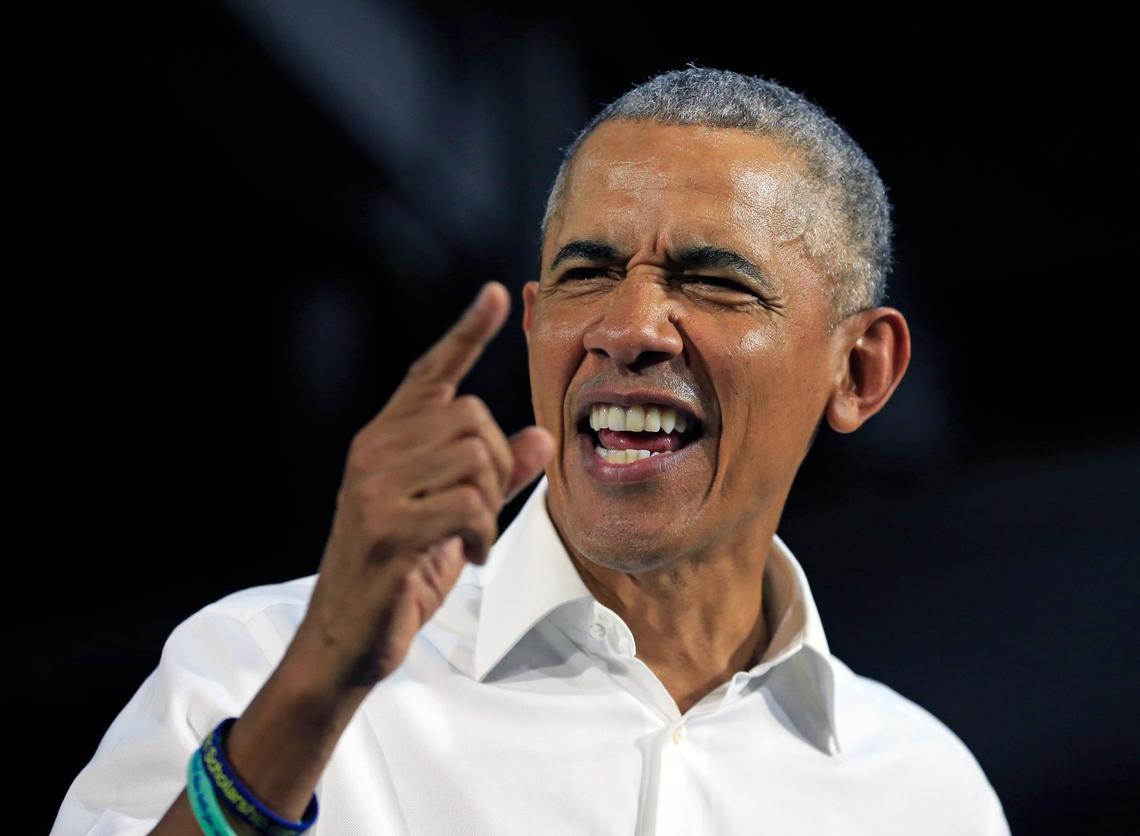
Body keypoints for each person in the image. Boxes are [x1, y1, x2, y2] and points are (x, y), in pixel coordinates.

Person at [53, 68, 1009, 835]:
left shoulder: (927, 796)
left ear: (859, 371)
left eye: (714, 282)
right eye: (588, 272)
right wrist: (316, 688)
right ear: (537, 323)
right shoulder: (260, 668)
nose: (628, 326)